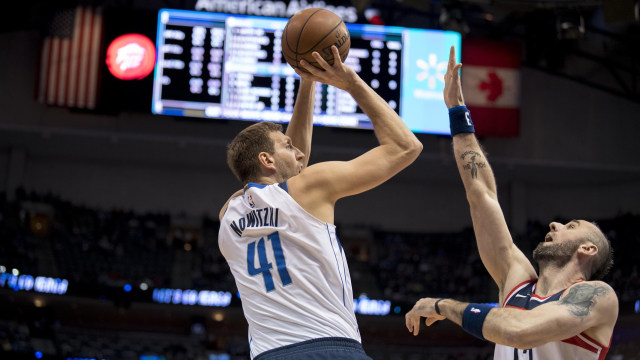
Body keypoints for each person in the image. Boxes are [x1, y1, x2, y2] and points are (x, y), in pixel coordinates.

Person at [405, 46, 618, 359]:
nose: (555, 224)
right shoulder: (517, 281)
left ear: (587, 249)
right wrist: (456, 111)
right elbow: (482, 194)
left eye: (571, 226)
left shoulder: (596, 296)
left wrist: (443, 306)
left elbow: (521, 331)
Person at [219, 45, 423, 359]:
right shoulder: (308, 186)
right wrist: (352, 83)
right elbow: (405, 147)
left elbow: (291, 168)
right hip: (329, 347)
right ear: (267, 160)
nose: (299, 153)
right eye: (287, 146)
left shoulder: (228, 213)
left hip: (268, 353)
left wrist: (307, 81)